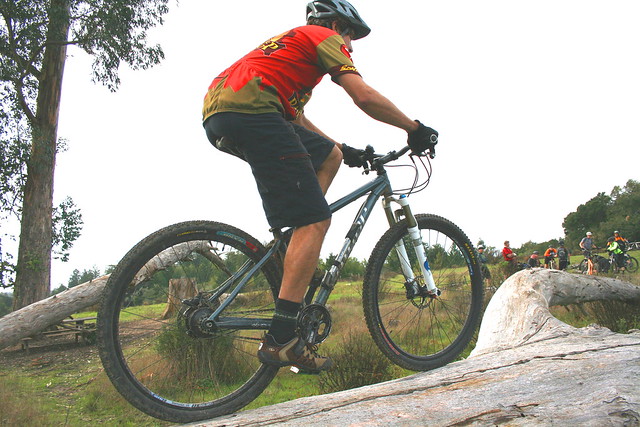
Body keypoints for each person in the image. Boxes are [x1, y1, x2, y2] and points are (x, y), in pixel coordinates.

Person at [201, 0, 438, 372]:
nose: (350, 44)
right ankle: (282, 339)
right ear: (333, 24)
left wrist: (345, 150)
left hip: (222, 113)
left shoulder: (288, 49)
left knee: (328, 156)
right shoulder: (324, 37)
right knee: (315, 221)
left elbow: (295, 119)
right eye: (349, 34)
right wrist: (414, 128)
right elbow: (363, 95)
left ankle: (294, 240)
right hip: (253, 113)